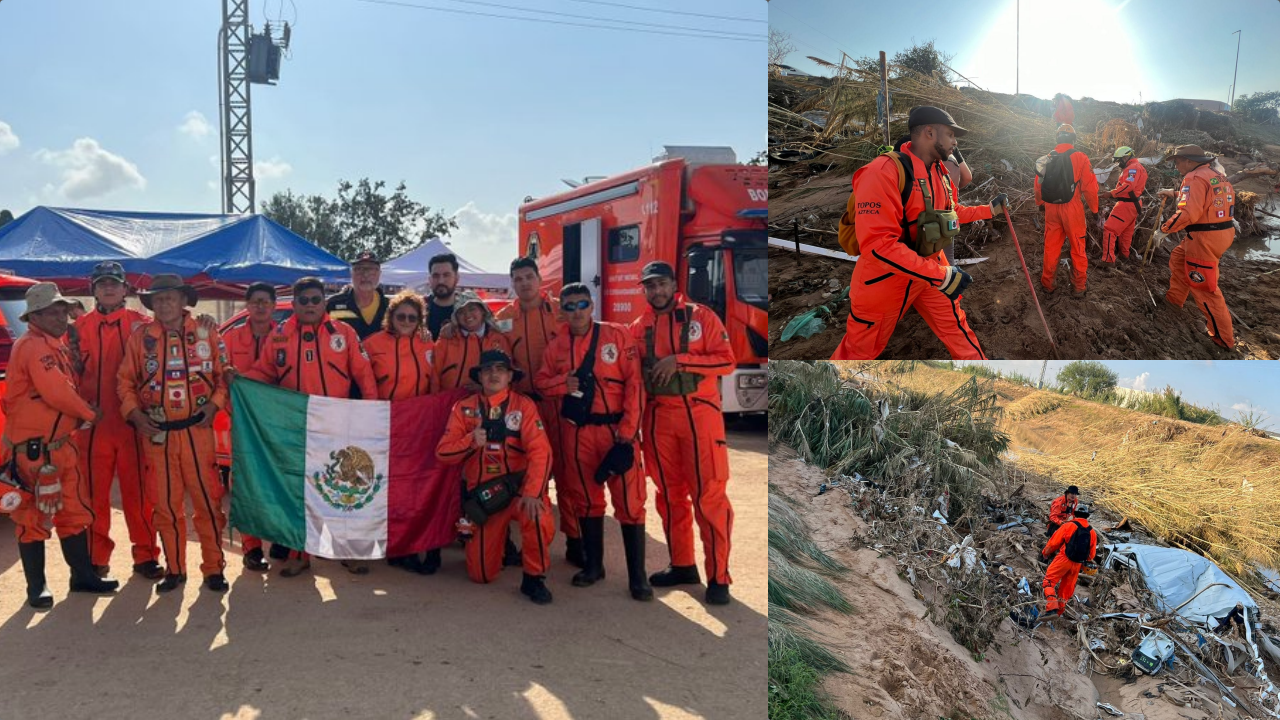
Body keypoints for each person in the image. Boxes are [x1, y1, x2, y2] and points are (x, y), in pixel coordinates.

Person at [831, 106, 1003, 360]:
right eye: (951, 134)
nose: (955, 142)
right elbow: (879, 245)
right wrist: (942, 276)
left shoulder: (939, 172)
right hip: (883, 283)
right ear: (930, 133)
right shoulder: (882, 172)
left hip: (930, 271)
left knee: (958, 331)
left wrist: (989, 210)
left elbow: (952, 213)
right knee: (858, 353)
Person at [244, 276, 377, 577]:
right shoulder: (279, 336)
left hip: (337, 424)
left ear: (323, 302)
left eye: (315, 299)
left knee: (342, 490)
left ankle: (349, 551)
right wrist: (237, 382)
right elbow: (263, 372)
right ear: (293, 304)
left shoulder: (343, 332)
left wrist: (369, 415)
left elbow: (364, 375)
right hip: (295, 426)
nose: (309, 305)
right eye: (303, 300)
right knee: (298, 492)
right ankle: (298, 553)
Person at [4, 282, 118, 608]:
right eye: (52, 311)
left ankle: (82, 577)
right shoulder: (33, 347)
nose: (61, 316)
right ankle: (36, 587)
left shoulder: (54, 345)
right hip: (34, 452)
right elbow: (57, 392)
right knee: (31, 517)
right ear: (35, 316)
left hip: (60, 447)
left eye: (62, 310)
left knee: (73, 512)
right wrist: (88, 413)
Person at [629, 261, 737, 605]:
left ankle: (718, 577)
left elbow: (727, 361)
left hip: (699, 417)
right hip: (658, 419)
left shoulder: (701, 317)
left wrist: (681, 360)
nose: (656, 291)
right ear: (644, 289)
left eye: (661, 284)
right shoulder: (638, 326)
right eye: (650, 286)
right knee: (669, 496)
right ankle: (682, 564)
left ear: (673, 284)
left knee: (708, 496)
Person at [535, 283, 650, 600]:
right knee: (586, 499)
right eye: (569, 306)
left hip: (616, 432)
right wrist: (563, 383)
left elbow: (635, 385)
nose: (576, 311)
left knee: (630, 503)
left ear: (592, 305)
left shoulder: (617, 335)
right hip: (578, 432)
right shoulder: (556, 345)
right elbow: (541, 383)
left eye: (581, 304)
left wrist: (627, 434)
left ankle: (638, 578)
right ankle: (593, 566)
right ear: (562, 311)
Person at [118, 275, 230, 593]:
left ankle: (214, 569)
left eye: (170, 297)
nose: (164, 304)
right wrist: (134, 414)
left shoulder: (207, 330)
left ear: (183, 301)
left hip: (198, 431)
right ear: (151, 304)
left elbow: (224, 375)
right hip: (157, 434)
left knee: (208, 504)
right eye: (158, 299)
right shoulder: (141, 338)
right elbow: (124, 380)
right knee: (165, 506)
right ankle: (175, 569)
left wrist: (215, 405)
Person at [437, 350, 556, 605]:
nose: (493, 374)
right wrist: (470, 441)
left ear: (510, 376)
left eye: (500, 369)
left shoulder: (523, 406)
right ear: (479, 375)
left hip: (518, 492)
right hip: (486, 500)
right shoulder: (464, 407)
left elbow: (541, 452)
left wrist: (533, 493)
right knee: (480, 575)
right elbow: (443, 452)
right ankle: (499, 545)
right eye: (488, 369)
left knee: (537, 515)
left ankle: (534, 578)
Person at [73, 261, 162, 580]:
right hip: (92, 428)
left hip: (132, 425)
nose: (108, 288)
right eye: (102, 284)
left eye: (114, 283)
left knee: (139, 494)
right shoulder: (77, 328)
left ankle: (145, 555)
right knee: (93, 496)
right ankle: (97, 557)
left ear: (126, 288)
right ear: (93, 289)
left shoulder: (144, 325)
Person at [496, 257, 580, 566]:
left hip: (559, 402)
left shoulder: (561, 311)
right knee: (527, 474)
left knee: (567, 474)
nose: (524, 283)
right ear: (512, 283)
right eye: (518, 279)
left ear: (539, 277)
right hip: (523, 406)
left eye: (529, 277)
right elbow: (494, 352)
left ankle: (575, 539)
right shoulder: (504, 318)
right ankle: (528, 542)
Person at [364, 289, 441, 575]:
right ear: (391, 317)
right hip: (383, 421)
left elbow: (435, 383)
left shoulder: (428, 345)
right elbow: (361, 380)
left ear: (420, 320)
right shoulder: (372, 344)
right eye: (401, 316)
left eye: (413, 316)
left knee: (412, 486)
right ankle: (391, 545)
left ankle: (406, 544)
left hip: (418, 423)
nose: (406, 321)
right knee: (386, 484)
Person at [220, 281, 278, 572]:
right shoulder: (230, 339)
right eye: (255, 301)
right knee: (243, 484)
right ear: (247, 304)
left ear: (273, 305)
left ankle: (280, 537)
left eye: (266, 301)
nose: (260, 306)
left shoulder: (285, 337)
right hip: (241, 422)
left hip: (276, 424)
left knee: (277, 481)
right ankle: (251, 547)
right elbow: (217, 375)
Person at [1155, 145, 1237, 349]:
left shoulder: (1193, 178)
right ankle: (1174, 301)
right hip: (1221, 233)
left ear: (1189, 161)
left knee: (1204, 288)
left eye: (1177, 162)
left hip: (1204, 238)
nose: (1176, 166)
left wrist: (1164, 230)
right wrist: (1174, 193)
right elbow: (1203, 198)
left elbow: (1188, 213)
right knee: (1178, 258)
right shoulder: (1215, 174)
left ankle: (1223, 339)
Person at [1035, 124, 1099, 295]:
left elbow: (1038, 185)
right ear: (1073, 139)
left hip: (1051, 208)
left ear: (1057, 138)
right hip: (1073, 209)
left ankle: (1048, 283)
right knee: (1078, 247)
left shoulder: (1047, 158)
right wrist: (1094, 209)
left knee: (1051, 247)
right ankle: (1078, 286)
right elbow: (1090, 188)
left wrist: (1040, 203)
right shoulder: (1080, 157)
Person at [432, 290, 512, 392]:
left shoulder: (498, 339)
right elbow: (434, 373)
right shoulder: (447, 338)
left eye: (472, 309)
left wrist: (485, 389)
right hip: (448, 401)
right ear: (456, 317)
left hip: (486, 401)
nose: (467, 315)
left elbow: (507, 373)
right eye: (461, 312)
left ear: (483, 311)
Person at [1040, 503, 1097, 617]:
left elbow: (1053, 543)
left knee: (1049, 582)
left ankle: (1051, 608)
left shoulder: (1068, 525)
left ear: (1075, 514)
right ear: (1086, 516)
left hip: (1063, 559)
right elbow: (1091, 556)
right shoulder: (1092, 532)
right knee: (1065, 591)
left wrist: (1045, 553)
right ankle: (1058, 614)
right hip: (1077, 565)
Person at [326, 252, 390, 341]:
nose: (365, 275)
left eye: (371, 270)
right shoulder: (332, 305)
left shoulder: (391, 307)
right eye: (359, 269)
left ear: (379, 274)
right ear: (351, 273)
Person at [1102, 146, 1148, 265]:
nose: (1118, 164)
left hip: (1126, 204)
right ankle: (1124, 255)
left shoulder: (1132, 168)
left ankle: (1108, 259)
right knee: (1126, 232)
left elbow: (1128, 186)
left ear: (1126, 157)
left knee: (1110, 229)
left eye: (1119, 160)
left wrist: (1111, 193)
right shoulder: (1139, 167)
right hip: (1134, 204)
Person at [425, 253, 461, 340]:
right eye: (436, 276)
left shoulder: (469, 310)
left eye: (446, 275)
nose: (441, 281)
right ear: (430, 280)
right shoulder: (419, 309)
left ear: (456, 278)